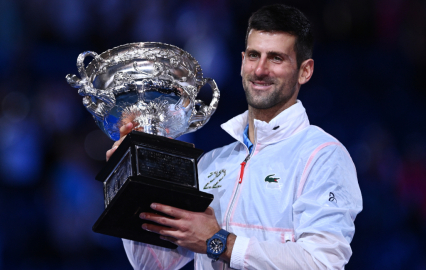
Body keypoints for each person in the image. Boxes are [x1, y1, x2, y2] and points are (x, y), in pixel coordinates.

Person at [107, 4, 362, 270]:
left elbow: (322, 263)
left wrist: (219, 242)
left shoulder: (322, 155)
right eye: (254, 55)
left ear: (304, 71)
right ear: (242, 62)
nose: (260, 69)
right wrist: (133, 174)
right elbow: (153, 264)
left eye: (276, 58)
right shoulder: (212, 163)